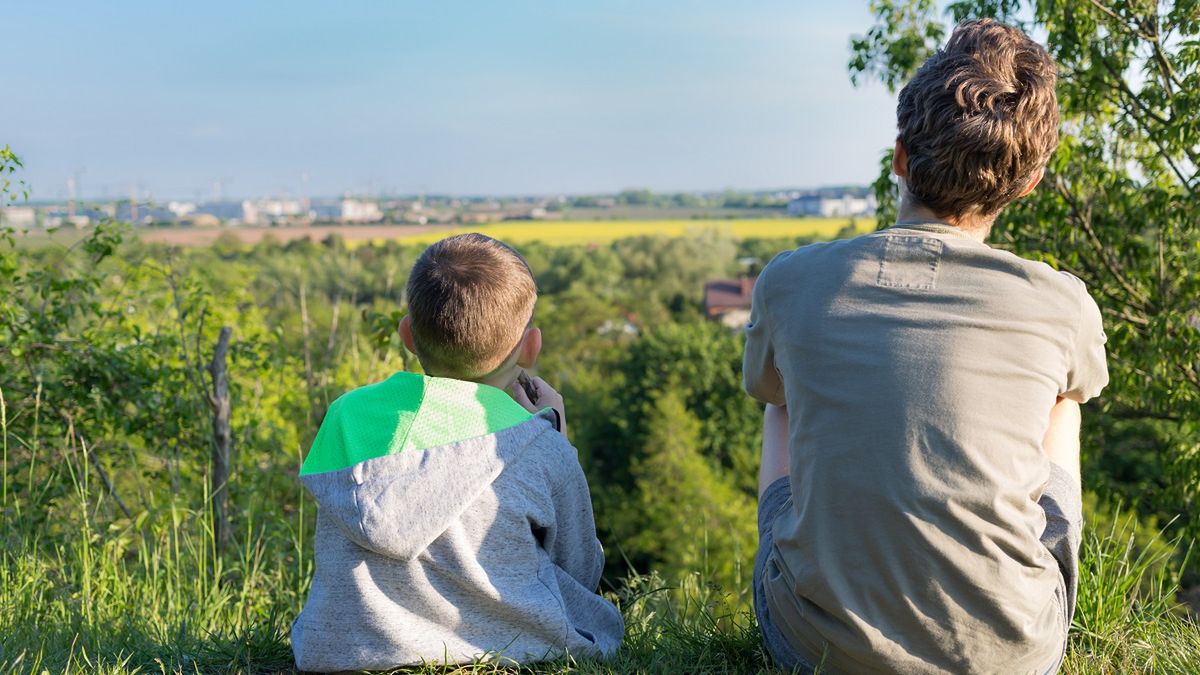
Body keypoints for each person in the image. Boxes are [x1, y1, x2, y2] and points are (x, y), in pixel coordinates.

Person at [743, 18, 1108, 674]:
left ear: (900, 158)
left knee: (782, 399)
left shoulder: (790, 281)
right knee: (1065, 397)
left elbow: (770, 398)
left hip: (817, 643)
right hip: (1012, 652)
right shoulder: (1063, 302)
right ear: (1028, 183)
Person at [291, 233, 623, 672]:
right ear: (531, 346)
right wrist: (556, 436)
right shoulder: (540, 446)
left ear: (408, 334)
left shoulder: (345, 416)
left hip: (343, 651)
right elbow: (579, 571)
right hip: (511, 650)